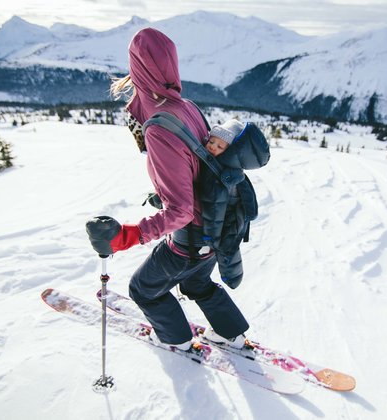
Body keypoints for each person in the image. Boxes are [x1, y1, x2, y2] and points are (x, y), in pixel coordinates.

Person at [86, 27, 249, 352]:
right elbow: (199, 166)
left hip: (189, 238)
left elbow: (181, 212)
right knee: (196, 282)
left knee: (144, 289)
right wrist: (165, 192)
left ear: (137, 69)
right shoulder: (186, 106)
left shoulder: (159, 126)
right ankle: (232, 334)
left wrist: (127, 236)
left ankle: (177, 340)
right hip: (216, 229)